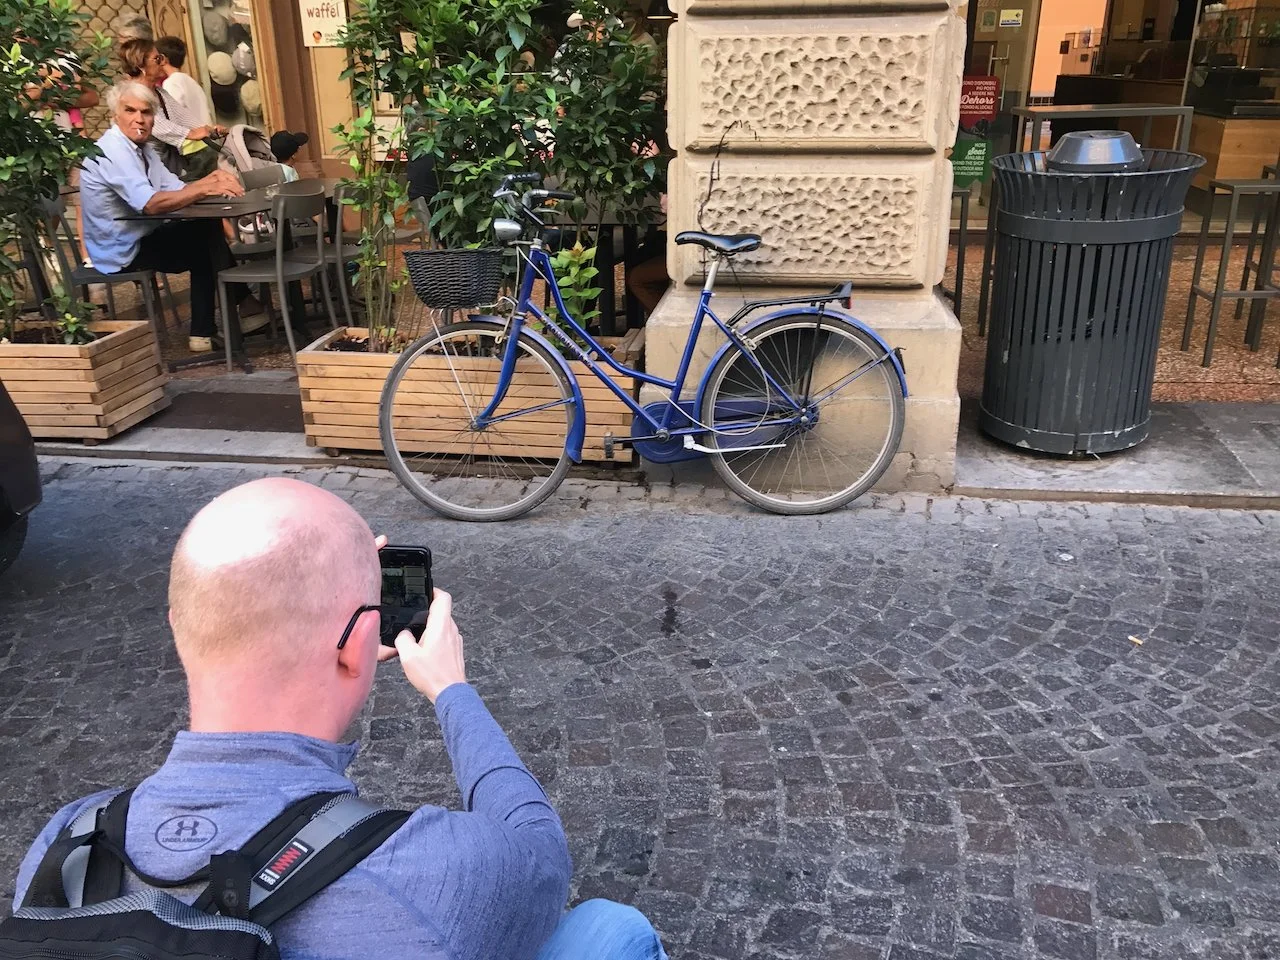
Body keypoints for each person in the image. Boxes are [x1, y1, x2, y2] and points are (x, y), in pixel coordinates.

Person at [10, 477, 669, 960]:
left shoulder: (68, 844)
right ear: (357, 647)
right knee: (612, 929)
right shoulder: (427, 870)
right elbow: (540, 852)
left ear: (179, 628)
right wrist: (451, 689)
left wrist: (332, 598)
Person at [78, 80, 267, 353]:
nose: (139, 119)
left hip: (141, 235)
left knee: (206, 234)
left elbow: (175, 188)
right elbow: (150, 205)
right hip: (119, 249)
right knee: (206, 240)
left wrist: (211, 180)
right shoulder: (113, 150)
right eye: (130, 111)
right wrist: (205, 187)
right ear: (115, 115)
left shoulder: (143, 149)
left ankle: (217, 324)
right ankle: (236, 311)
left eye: (146, 112)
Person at [119, 37, 222, 181]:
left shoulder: (159, 92)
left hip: (162, 165)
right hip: (144, 168)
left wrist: (209, 129)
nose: (163, 63)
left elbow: (181, 115)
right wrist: (191, 133)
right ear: (141, 65)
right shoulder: (133, 94)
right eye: (157, 59)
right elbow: (155, 124)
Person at [153, 37, 212, 128]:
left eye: (155, 58)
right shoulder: (191, 81)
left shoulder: (172, 82)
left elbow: (172, 117)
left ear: (162, 59)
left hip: (194, 134)